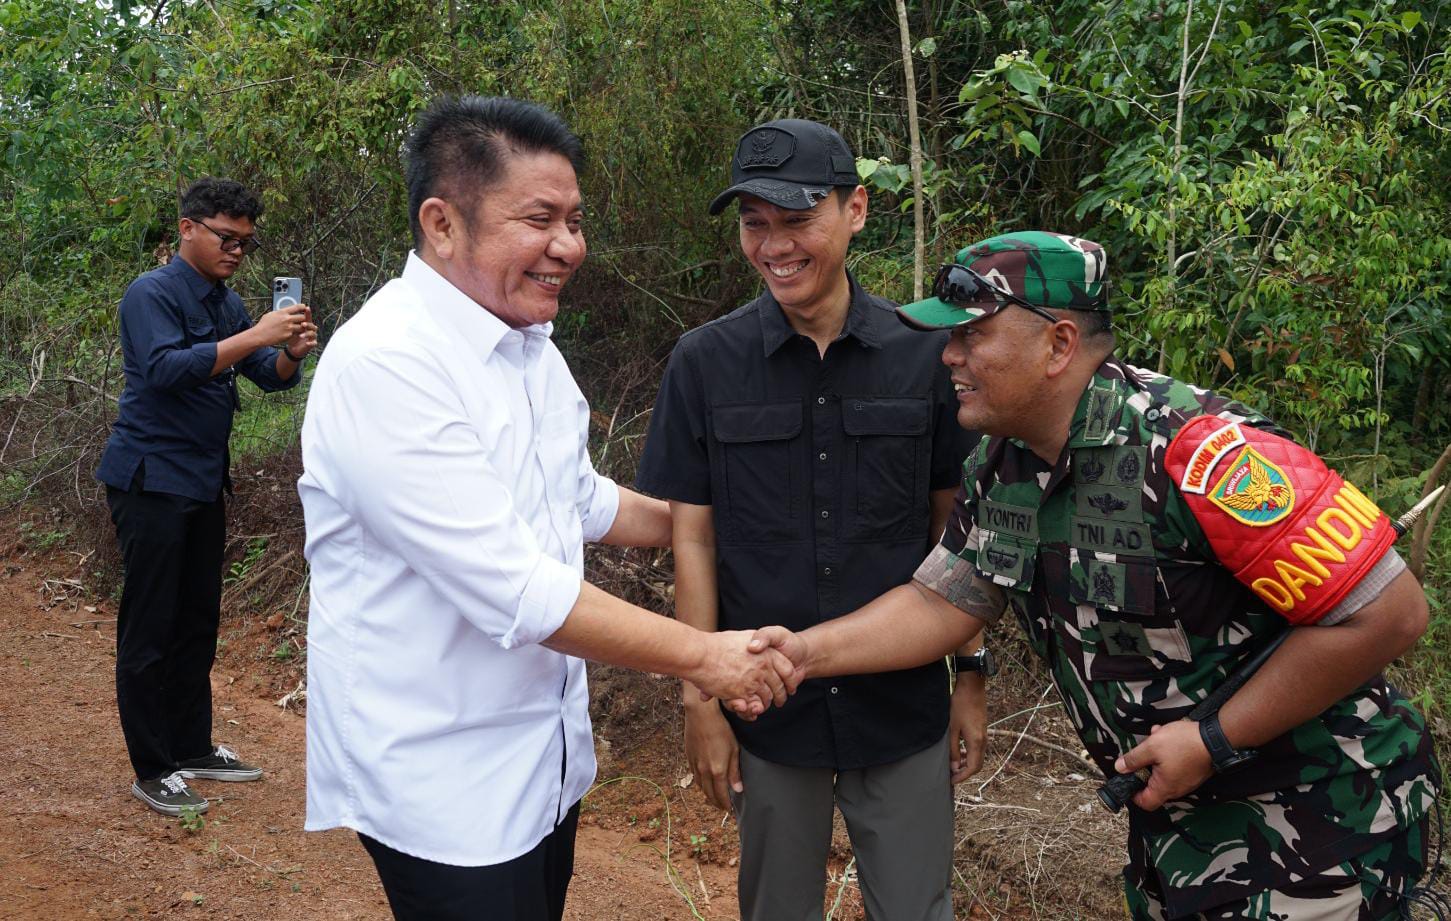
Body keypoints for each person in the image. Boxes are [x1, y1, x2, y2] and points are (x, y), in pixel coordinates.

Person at [754, 231, 1442, 920]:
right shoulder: (1003, 463)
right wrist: (804, 653)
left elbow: (1389, 612)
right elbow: (943, 600)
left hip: (1324, 819)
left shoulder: (1198, 451)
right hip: (1181, 833)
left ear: (1057, 345)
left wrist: (1213, 737)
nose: (949, 355)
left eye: (972, 336)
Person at [297, 95, 798, 921]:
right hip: (443, 777)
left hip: (542, 757)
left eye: (574, 219)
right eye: (539, 219)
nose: (568, 246)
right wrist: (707, 657)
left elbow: (579, 499)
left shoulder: (528, 346)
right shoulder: (387, 366)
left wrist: (727, 525)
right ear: (442, 222)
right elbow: (517, 589)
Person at [634, 117, 981, 921]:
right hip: (765, 713)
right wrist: (700, 701)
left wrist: (971, 674)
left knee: (914, 908)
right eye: (754, 224)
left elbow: (951, 536)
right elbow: (695, 533)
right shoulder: (704, 362)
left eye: (796, 220)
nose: (773, 246)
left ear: (855, 209)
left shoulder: (924, 353)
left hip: (901, 709)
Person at [96, 177, 318, 816]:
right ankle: (153, 767)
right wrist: (256, 335)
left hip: (201, 480)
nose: (237, 252)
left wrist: (288, 353)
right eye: (227, 238)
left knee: (196, 620)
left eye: (245, 242)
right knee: (150, 626)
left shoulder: (227, 302)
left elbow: (265, 378)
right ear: (188, 227)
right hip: (150, 480)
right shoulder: (151, 294)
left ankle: (191, 746)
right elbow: (165, 370)